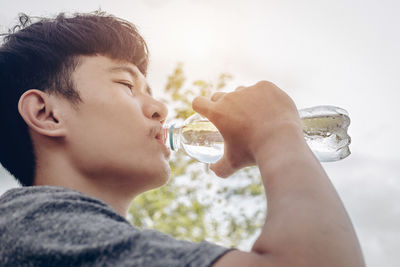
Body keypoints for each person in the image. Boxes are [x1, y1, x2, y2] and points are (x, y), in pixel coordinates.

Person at [0, 11, 365, 267]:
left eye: (150, 91)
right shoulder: (32, 224)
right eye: (126, 85)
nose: (160, 108)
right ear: (47, 114)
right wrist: (275, 133)